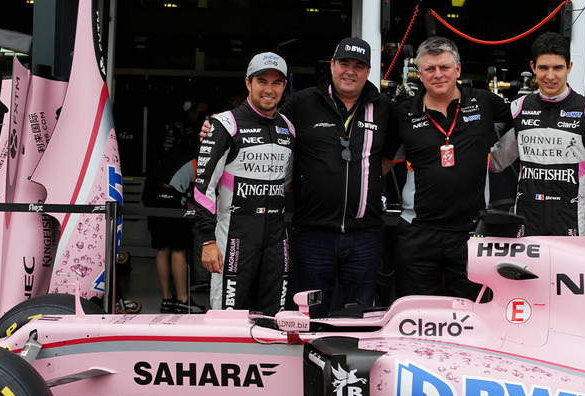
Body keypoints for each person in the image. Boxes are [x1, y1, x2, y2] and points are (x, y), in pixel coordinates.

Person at [202, 37, 397, 318]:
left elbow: (388, 158)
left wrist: (363, 179)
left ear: (368, 71)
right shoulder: (304, 102)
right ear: (332, 65)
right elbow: (262, 118)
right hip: (312, 232)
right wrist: (214, 129)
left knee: (360, 314)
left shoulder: (384, 107)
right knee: (309, 315)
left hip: (364, 234)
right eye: (344, 63)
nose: (350, 71)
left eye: (359, 66)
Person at [390, 36, 512, 299]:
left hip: (473, 232)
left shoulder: (485, 102)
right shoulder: (403, 113)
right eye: (430, 69)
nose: (438, 75)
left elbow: (524, 127)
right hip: (418, 232)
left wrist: (500, 160)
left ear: (457, 69)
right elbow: (384, 161)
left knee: (475, 315)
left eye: (445, 67)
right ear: (419, 74)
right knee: (414, 313)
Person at [489, 31, 585, 237]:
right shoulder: (519, 108)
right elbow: (496, 162)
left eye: (558, 68)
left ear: (569, 67)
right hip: (526, 224)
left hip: (572, 224)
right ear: (533, 67)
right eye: (543, 68)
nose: (550, 76)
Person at [194, 52, 294, 315]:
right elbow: (203, 187)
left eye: (277, 83)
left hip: (275, 235)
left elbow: (286, 184)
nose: (269, 90)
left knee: (275, 315)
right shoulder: (225, 124)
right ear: (248, 83)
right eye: (262, 81)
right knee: (228, 316)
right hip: (234, 232)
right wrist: (207, 240)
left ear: (284, 86)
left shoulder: (289, 129)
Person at [143, 149, 207, 313]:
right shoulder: (201, 160)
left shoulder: (176, 155)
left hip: (150, 193)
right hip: (170, 193)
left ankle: (167, 299)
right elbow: (199, 192)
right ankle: (183, 300)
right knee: (178, 248)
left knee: (162, 248)